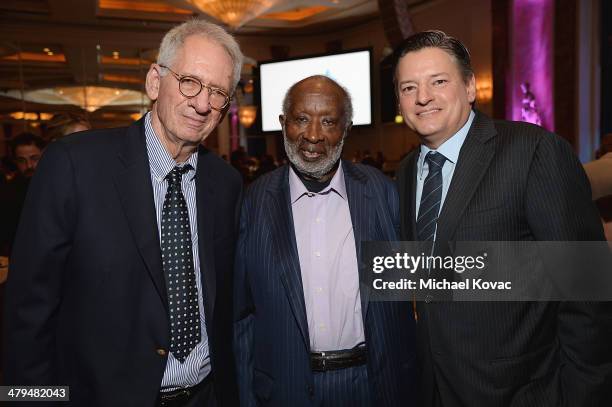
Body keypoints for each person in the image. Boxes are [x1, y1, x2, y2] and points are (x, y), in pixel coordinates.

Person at [3, 19, 244, 406]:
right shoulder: (73, 165)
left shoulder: (226, 183)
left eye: (218, 92)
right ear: (154, 81)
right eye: (190, 82)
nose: (202, 104)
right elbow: (26, 314)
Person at [394, 30, 611, 406]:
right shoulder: (406, 172)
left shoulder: (534, 152)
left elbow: (587, 291)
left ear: (470, 87)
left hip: (524, 391)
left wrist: (583, 395)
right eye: (408, 87)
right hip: (435, 388)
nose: (422, 97)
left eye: (438, 82)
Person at [234, 75, 416, 407]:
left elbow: (415, 288)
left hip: (373, 387)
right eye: (302, 119)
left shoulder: (381, 193)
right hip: (286, 390)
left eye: (329, 121)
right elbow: (242, 316)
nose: (314, 135)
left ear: (346, 129)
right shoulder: (254, 202)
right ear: (282, 123)